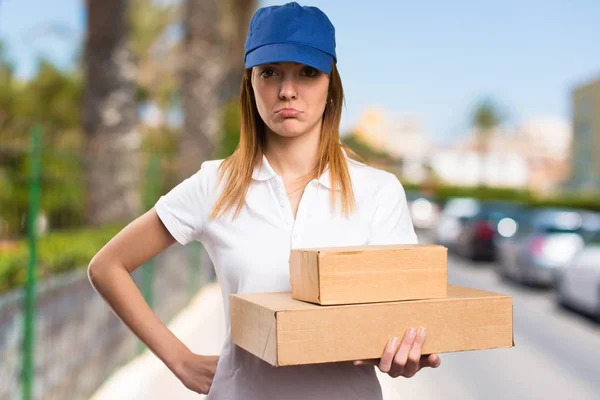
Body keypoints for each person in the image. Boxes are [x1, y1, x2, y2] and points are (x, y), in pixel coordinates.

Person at [87, 2, 441, 399]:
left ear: (331, 84)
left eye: (307, 72)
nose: (287, 90)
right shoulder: (215, 185)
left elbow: (398, 319)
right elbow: (107, 266)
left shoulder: (379, 192)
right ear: (250, 83)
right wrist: (180, 359)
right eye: (270, 72)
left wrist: (403, 353)